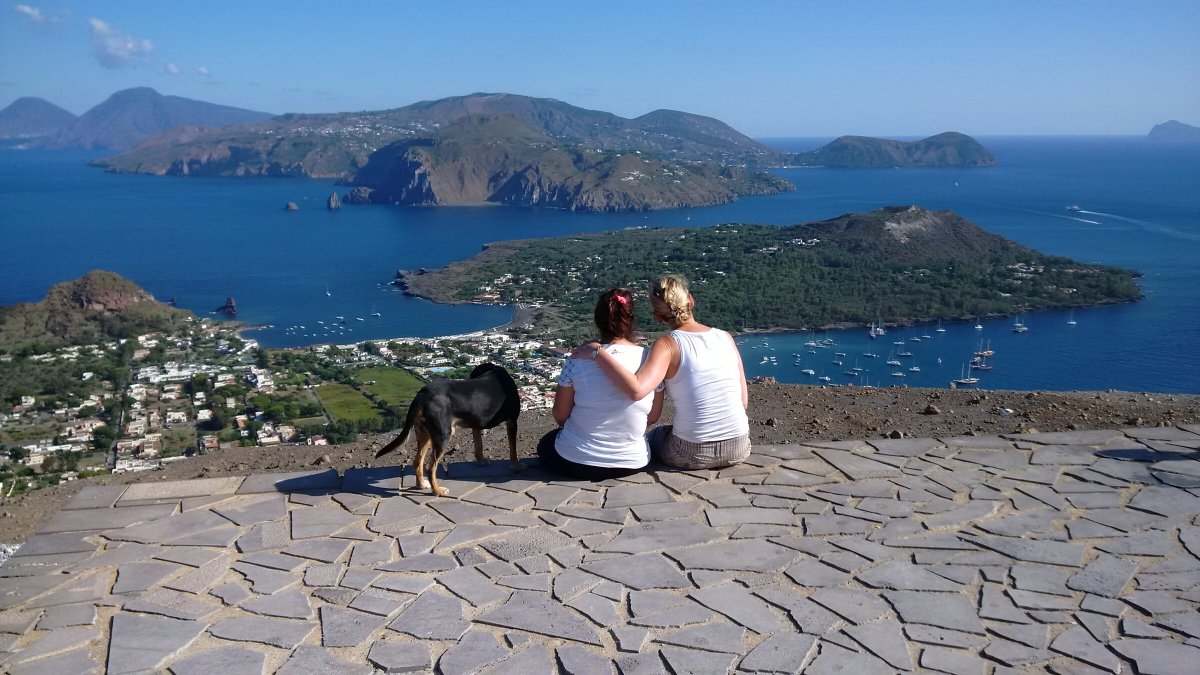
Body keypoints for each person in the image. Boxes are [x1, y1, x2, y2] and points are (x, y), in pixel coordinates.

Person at [578, 274, 750, 469]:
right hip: (740, 447)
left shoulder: (667, 345)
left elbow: (637, 390)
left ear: (657, 316)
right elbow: (743, 401)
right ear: (691, 300)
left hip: (692, 453)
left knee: (654, 436)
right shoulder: (725, 337)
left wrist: (597, 353)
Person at [537, 288, 664, 480]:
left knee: (547, 443)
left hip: (576, 461)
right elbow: (653, 416)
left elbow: (561, 415)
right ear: (631, 320)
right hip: (631, 463)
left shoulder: (577, 359)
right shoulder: (651, 360)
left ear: (597, 320)